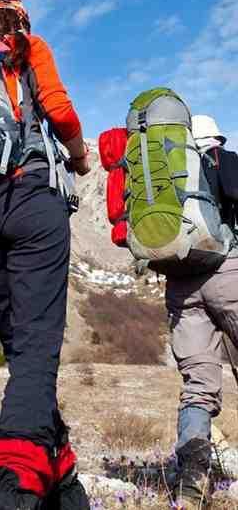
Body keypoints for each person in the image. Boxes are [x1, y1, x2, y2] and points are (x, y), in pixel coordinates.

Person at [0, 0, 91, 510]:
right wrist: (78, 157)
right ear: (19, 20)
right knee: (36, 348)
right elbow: (58, 108)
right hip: (30, 199)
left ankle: (64, 478)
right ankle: (14, 479)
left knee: (24, 353)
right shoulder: (29, 46)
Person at [165, 113, 238, 509]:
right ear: (216, 141)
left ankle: (191, 484)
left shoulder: (167, 175)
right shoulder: (222, 160)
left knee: (197, 387)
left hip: (180, 284)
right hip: (227, 269)